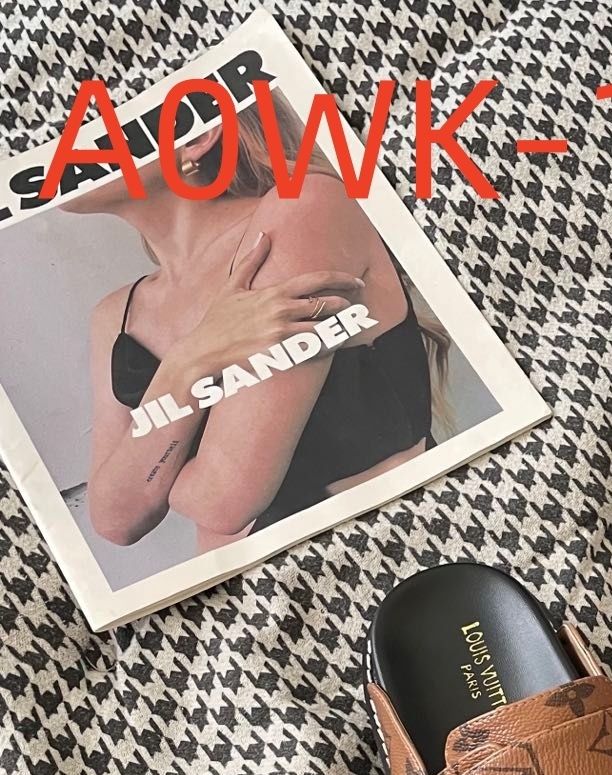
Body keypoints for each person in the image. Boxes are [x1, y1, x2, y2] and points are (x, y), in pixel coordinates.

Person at [75, 103, 447, 552]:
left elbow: (221, 501)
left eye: (87, 125)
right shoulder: (116, 315)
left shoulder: (303, 207)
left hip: (390, 553)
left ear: (195, 138)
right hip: (250, 589)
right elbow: (115, 520)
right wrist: (189, 361)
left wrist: (148, 468)